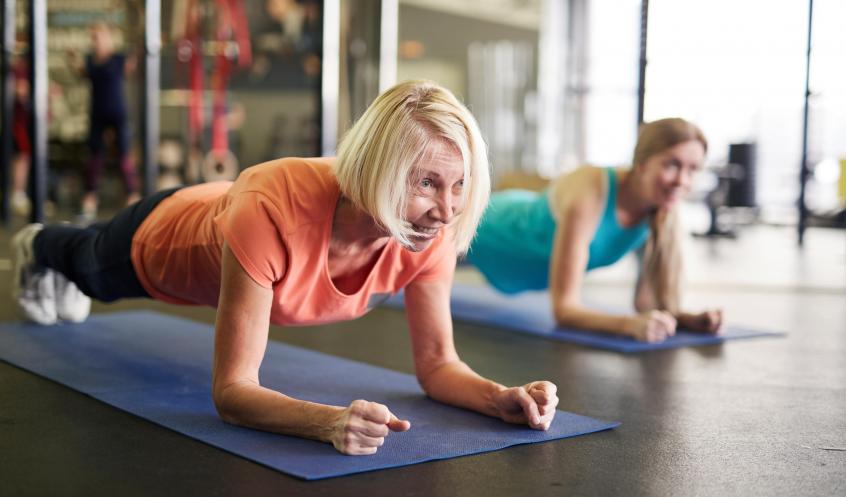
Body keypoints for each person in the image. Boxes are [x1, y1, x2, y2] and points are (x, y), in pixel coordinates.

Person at [11, 81, 559, 455]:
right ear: (378, 171)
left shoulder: (427, 229)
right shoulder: (274, 212)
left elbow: (438, 364)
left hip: (228, 210)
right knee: (89, 268)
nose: (447, 209)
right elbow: (232, 392)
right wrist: (328, 422)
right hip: (164, 238)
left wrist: (499, 398)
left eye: (460, 184)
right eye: (426, 183)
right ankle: (38, 245)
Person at [467, 118, 723, 343]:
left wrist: (685, 319)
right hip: (490, 226)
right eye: (672, 165)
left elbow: (645, 305)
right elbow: (565, 310)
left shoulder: (659, 211)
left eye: (693, 169)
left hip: (518, 259)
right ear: (642, 163)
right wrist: (627, 326)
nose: (683, 180)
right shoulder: (592, 189)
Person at [68, 21, 141, 220]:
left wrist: (139, 42)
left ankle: (132, 198)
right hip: (98, 114)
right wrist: (73, 61)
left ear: (108, 39)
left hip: (118, 114)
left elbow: (133, 65)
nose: (96, 41)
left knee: (125, 157)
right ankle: (89, 201)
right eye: (93, 38)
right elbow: (82, 74)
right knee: (94, 158)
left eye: (99, 37)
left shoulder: (119, 59)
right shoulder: (91, 61)